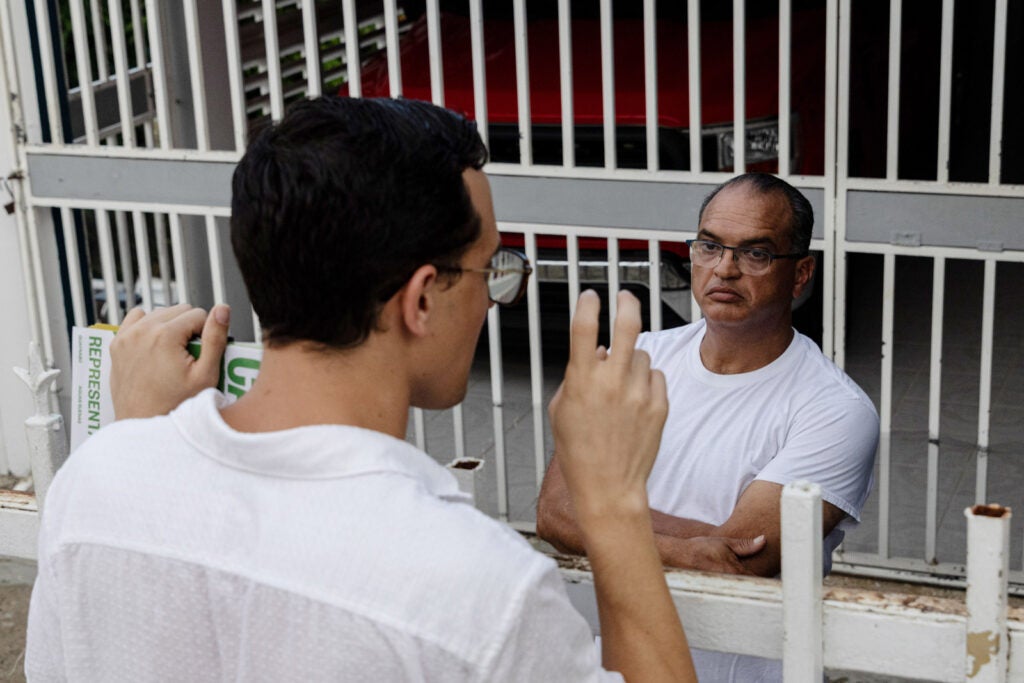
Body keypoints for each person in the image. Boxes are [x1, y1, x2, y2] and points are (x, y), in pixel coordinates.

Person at [26, 96, 709, 681]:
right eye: (489, 268)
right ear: (420, 300)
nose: (495, 295)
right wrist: (614, 499)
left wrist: (145, 440)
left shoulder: (95, 482)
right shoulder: (475, 589)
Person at [536, 172, 879, 679]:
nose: (725, 268)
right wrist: (687, 545)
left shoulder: (835, 409)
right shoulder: (643, 355)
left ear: (801, 274)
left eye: (756, 253)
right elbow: (552, 513)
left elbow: (737, 563)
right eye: (709, 246)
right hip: (614, 665)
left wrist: (602, 510)